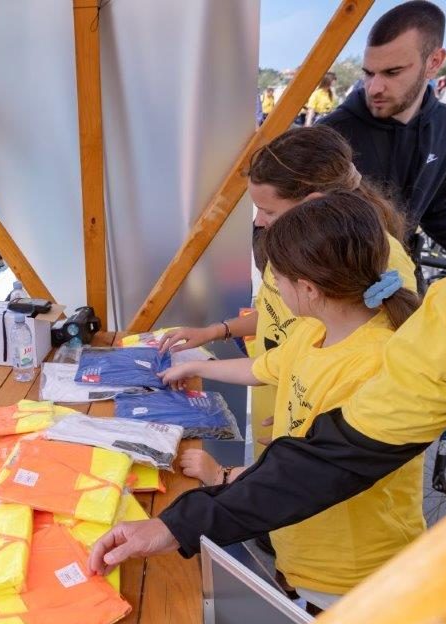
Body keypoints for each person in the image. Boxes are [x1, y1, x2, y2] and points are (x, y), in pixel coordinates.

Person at [159, 192, 425, 611]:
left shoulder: (375, 364)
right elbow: (264, 368)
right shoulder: (314, 327)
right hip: (304, 545)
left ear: (308, 288)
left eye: (277, 279)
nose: (273, 289)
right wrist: (193, 366)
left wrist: (223, 475)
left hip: (351, 569)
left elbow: (313, 474)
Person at [158, 126, 417, 456]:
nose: (259, 221)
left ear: (312, 204)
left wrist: (309, 433)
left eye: (269, 211)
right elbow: (275, 313)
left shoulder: (377, 262)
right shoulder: (294, 248)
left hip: (320, 438)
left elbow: (374, 389)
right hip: (287, 411)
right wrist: (216, 331)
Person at [319, 1, 446, 268]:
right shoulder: (330, 133)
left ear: (434, 62)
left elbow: (438, 212)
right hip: (338, 280)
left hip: (405, 275)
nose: (374, 88)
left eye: (392, 72)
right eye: (368, 73)